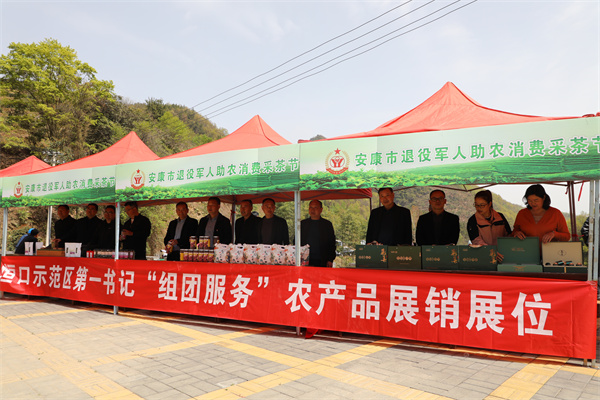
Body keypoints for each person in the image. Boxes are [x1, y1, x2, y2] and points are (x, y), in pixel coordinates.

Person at [300, 200, 336, 267]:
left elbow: (332, 243)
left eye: (315, 207)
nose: (312, 210)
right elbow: (296, 241)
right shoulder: (302, 224)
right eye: (311, 207)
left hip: (322, 260)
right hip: (305, 260)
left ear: (321, 210)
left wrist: (330, 259)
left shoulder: (327, 225)